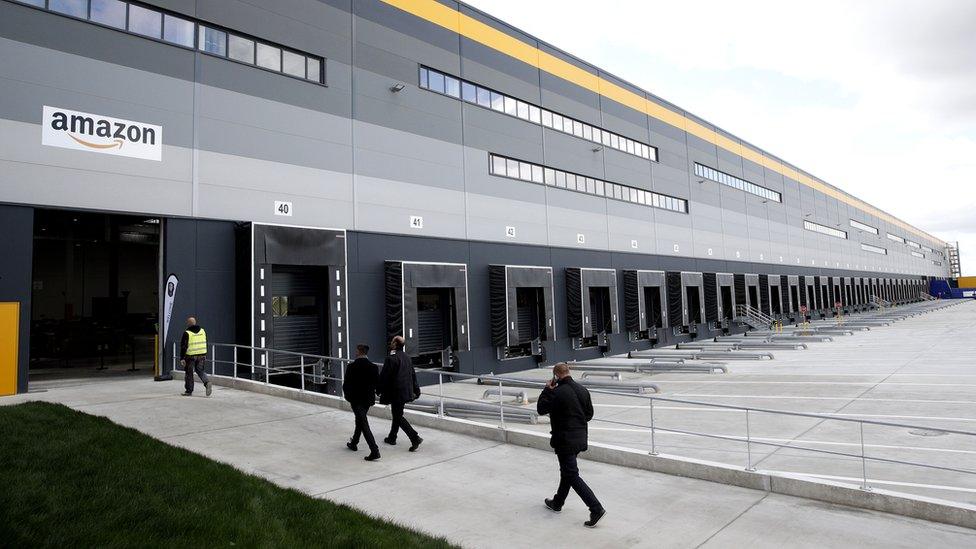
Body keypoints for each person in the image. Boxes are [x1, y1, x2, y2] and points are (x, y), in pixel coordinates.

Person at [537, 362, 606, 528]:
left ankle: (596, 508)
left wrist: (547, 389)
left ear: (556, 376)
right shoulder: (583, 390)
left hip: (564, 440)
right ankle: (557, 502)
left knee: (571, 474)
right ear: (569, 372)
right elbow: (589, 415)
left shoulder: (557, 392)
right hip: (580, 438)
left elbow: (540, 409)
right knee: (567, 472)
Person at [378, 335, 423, 452]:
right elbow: (413, 374)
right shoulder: (407, 357)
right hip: (405, 392)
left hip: (395, 393)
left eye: (392, 341)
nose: (391, 343)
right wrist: (416, 390)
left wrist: (378, 389)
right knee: (397, 414)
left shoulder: (391, 358)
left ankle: (414, 437)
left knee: (397, 416)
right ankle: (392, 437)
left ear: (395, 344)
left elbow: (384, 376)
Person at [343, 344, 381, 461]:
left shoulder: (351, 367)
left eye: (356, 351)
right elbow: (377, 384)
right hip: (368, 400)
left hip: (355, 399)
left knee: (363, 423)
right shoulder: (373, 367)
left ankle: (374, 450)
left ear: (359, 352)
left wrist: (349, 397)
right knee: (360, 420)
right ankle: (354, 442)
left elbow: (346, 385)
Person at [180, 316, 212, 397]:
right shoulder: (202, 331)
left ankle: (189, 391)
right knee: (200, 370)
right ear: (195, 323)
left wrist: (182, 358)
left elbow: (183, 346)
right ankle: (207, 382)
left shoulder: (187, 333)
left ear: (188, 324)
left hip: (191, 356)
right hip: (202, 355)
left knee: (189, 373)